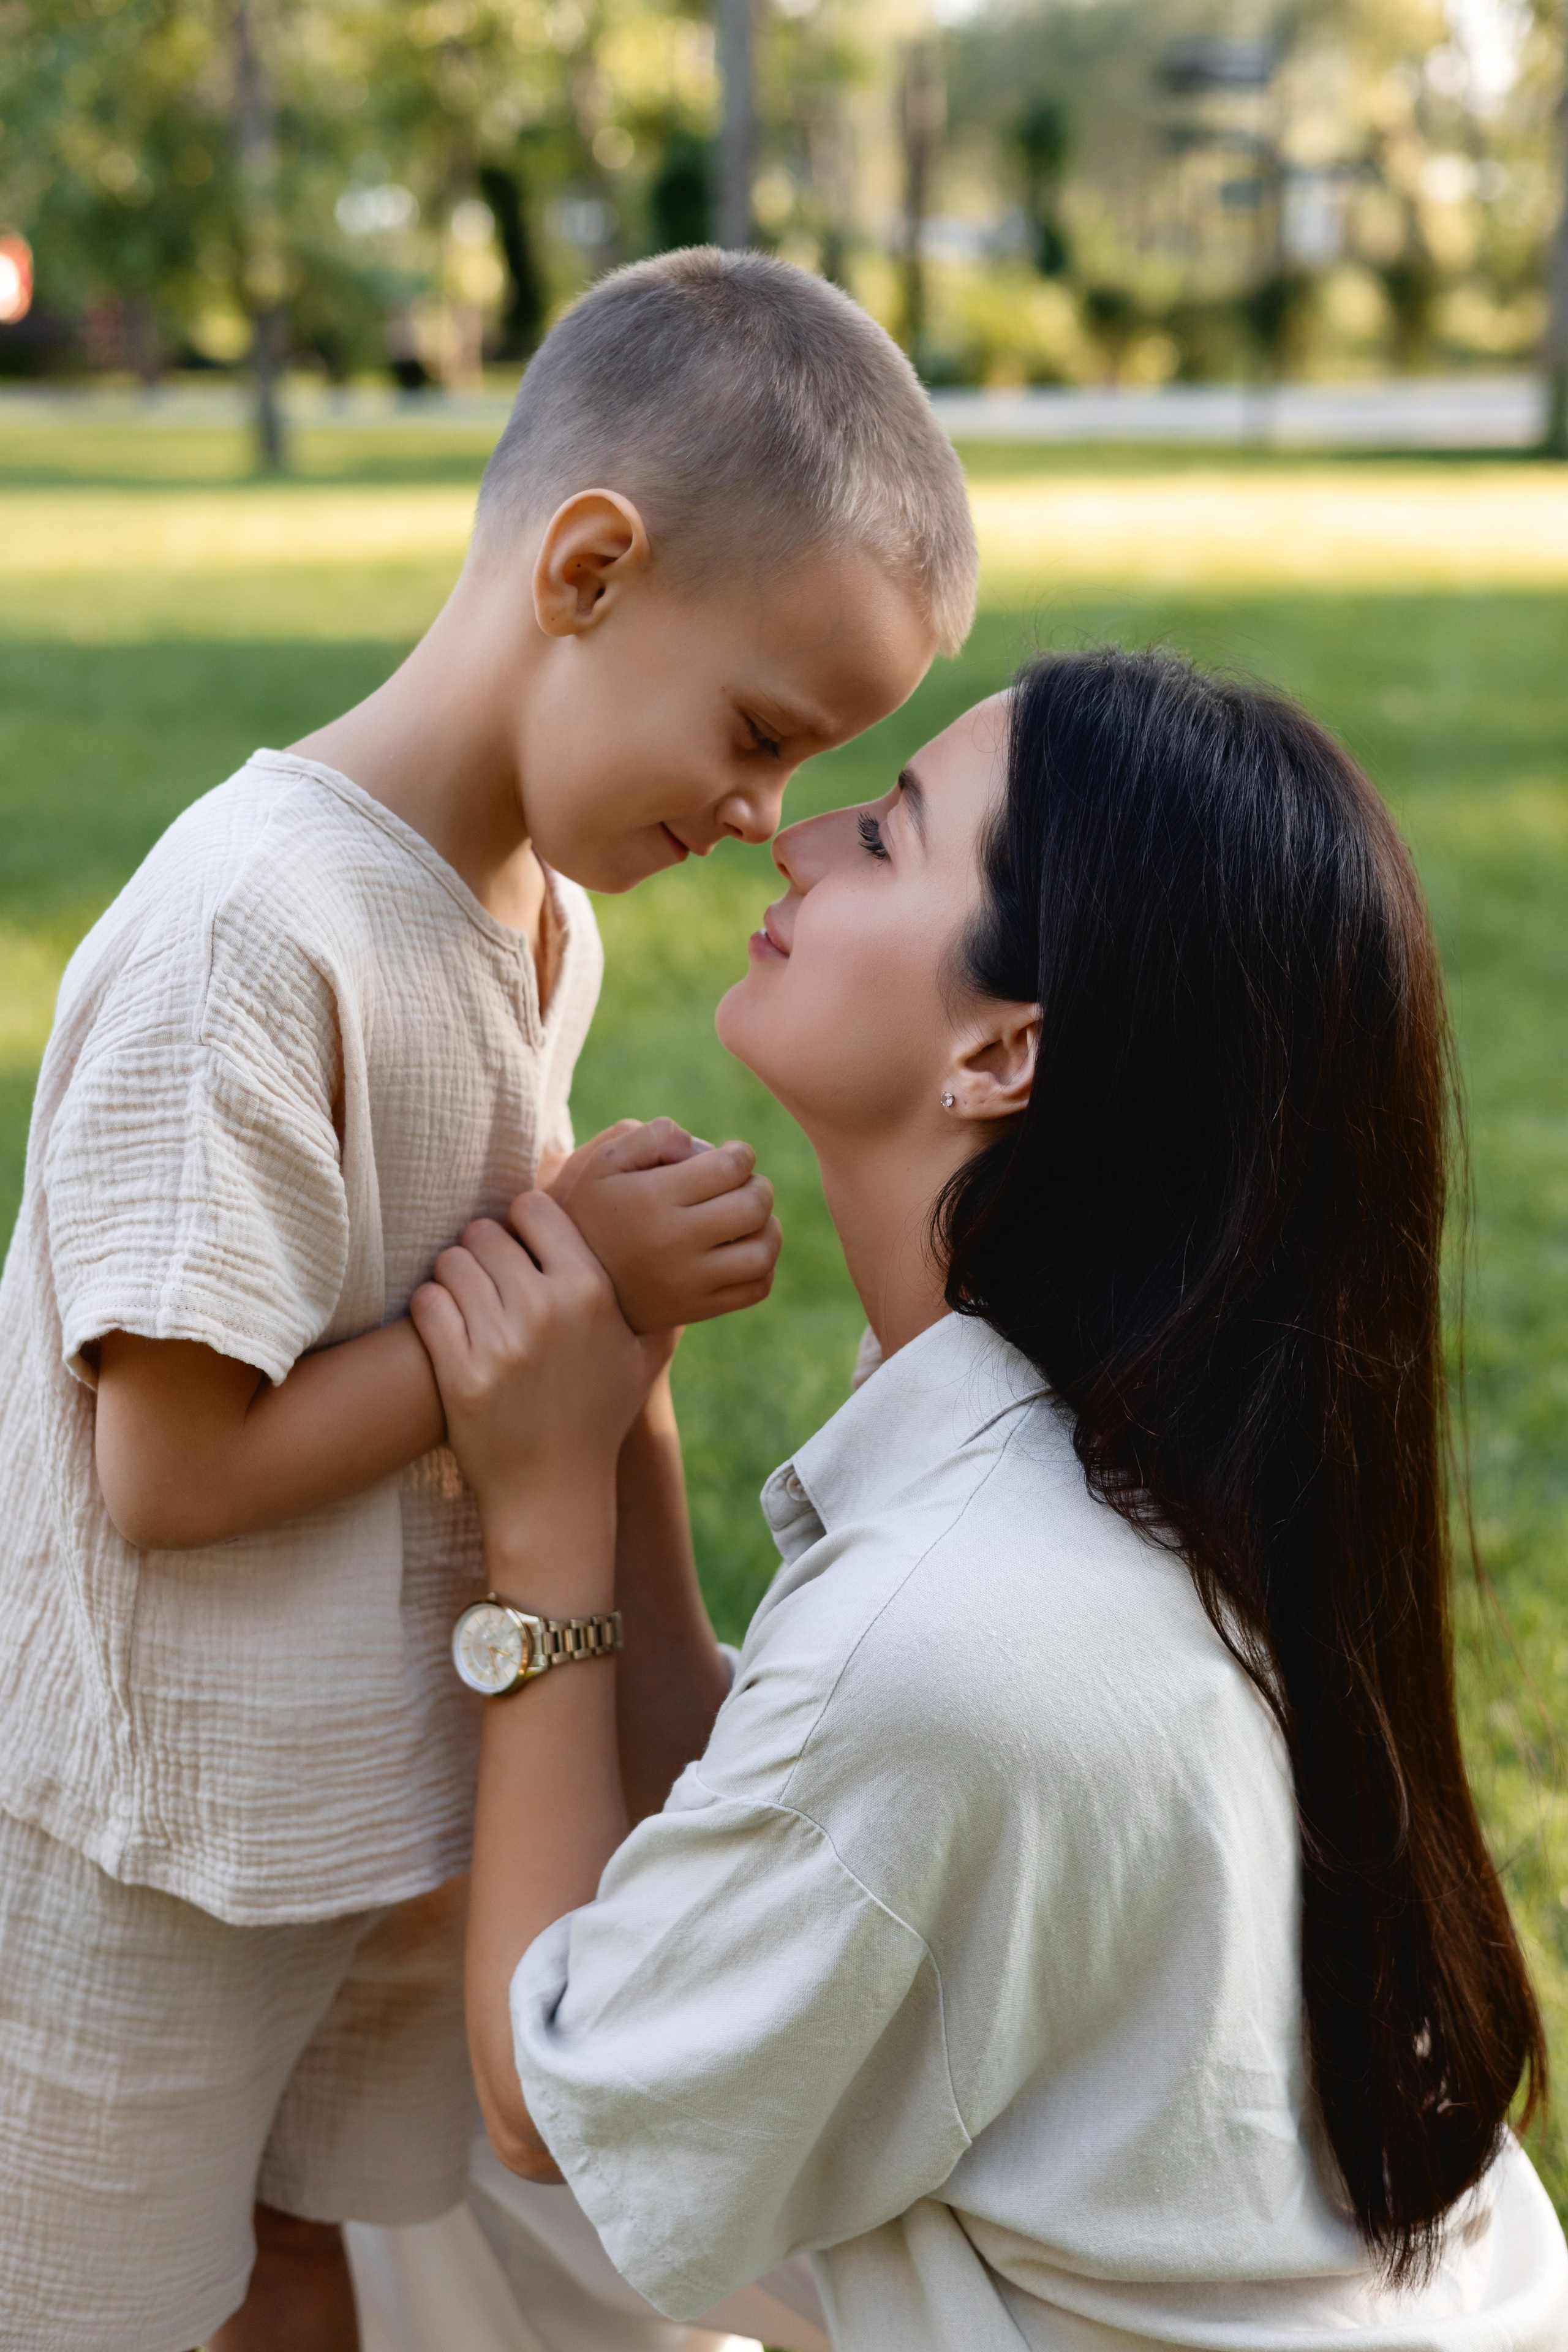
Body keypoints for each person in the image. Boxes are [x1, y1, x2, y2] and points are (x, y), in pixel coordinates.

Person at [0, 248, 977, 2352]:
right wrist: (565, 1299)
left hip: (362, 1799)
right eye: (757, 731)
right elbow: (163, 1468)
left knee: (309, 2244)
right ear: (590, 567)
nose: (761, 819)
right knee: (103, 2303)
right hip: (155, 1845)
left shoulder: (537, 915)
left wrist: (586, 1309)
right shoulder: (249, 937)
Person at [409, 648, 1568, 2350]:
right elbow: (765, 1840)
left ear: (1003, 1051)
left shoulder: (968, 1624)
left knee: (403, 2143)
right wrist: (618, 1407)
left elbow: (554, 2099)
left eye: (884, 836)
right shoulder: (1131, 1442)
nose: (794, 842)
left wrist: (543, 1536)